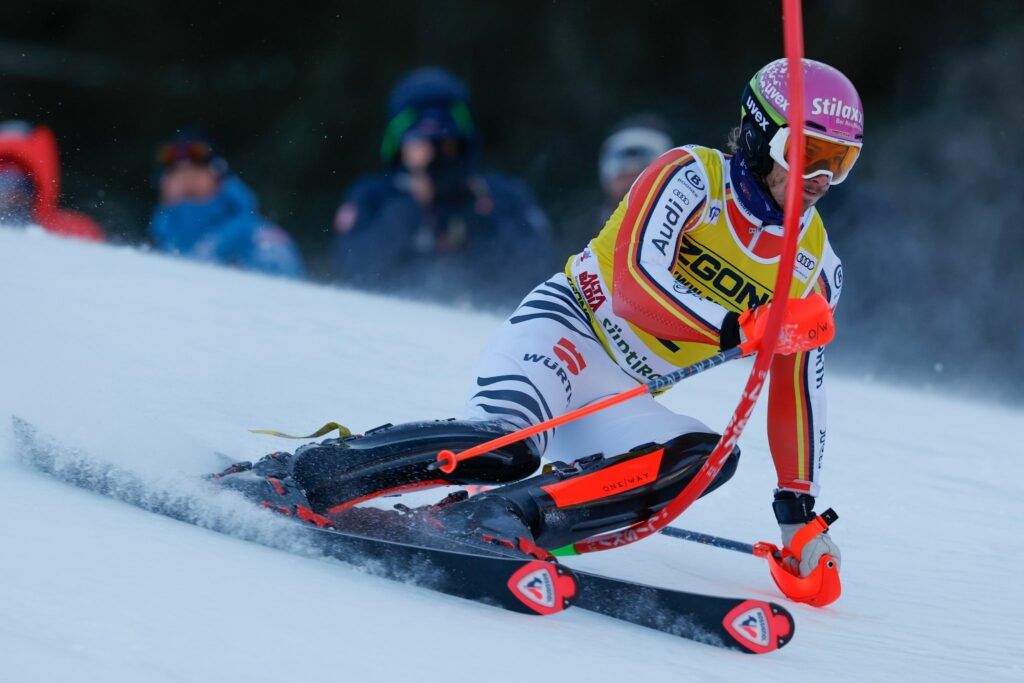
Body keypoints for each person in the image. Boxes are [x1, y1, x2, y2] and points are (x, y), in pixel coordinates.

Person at [218, 59, 860, 592]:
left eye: (842, 162)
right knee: (506, 446)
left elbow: (800, 390)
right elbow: (636, 289)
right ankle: (303, 473)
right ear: (757, 134)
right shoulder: (688, 176)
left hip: (624, 392)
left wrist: (799, 516)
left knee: (707, 458)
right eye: (810, 156)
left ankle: (497, 520)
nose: (822, 180)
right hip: (566, 335)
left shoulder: (815, 268)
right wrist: (735, 328)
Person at [330, 67, 555, 308]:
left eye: (444, 143)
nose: (434, 155)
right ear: (399, 142)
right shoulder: (373, 196)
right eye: (419, 141)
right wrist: (408, 208)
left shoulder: (498, 196)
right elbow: (352, 270)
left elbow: (537, 272)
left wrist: (476, 215)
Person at [150, 132, 305, 278]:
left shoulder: (259, 236)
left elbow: (284, 286)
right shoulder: (165, 228)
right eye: (177, 175)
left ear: (217, 175)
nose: (186, 181)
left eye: (195, 172)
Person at [0, 121, 105, 240]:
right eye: (4, 182)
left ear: (37, 188)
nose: (12, 192)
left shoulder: (72, 232)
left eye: (22, 183)